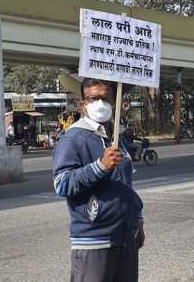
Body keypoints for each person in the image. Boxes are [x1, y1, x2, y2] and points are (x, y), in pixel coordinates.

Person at [52, 78, 144, 282]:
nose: (100, 104)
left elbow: (126, 185)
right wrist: (100, 166)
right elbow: (62, 184)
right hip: (94, 240)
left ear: (114, 102)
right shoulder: (74, 138)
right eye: (94, 98)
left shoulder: (115, 138)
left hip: (126, 238)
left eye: (106, 98)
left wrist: (138, 220)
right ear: (84, 104)